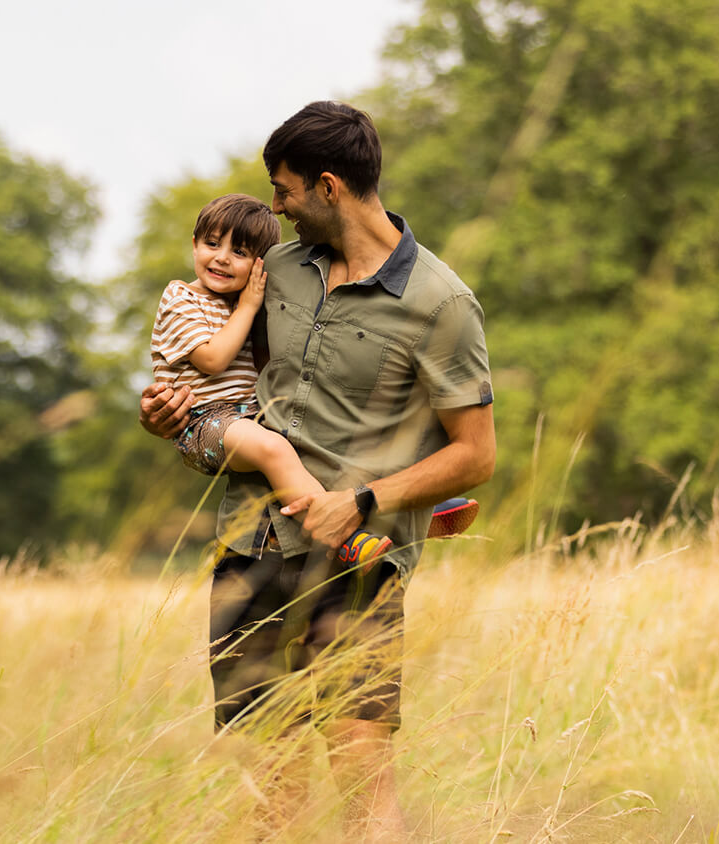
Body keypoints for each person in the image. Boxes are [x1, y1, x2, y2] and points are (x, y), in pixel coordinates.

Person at [140, 101, 496, 839]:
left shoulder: (441, 303)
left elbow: (476, 455)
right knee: (269, 790)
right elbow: (226, 388)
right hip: (249, 550)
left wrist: (364, 500)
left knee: (360, 770)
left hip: (355, 564)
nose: (275, 208)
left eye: (284, 192)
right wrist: (169, 417)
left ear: (328, 187)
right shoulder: (273, 272)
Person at [150, 193, 394, 566]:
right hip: (204, 423)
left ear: (260, 265)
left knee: (316, 440)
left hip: (250, 416)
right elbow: (212, 359)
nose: (222, 258)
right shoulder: (181, 297)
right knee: (275, 450)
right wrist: (248, 307)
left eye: (240, 252)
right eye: (212, 243)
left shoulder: (243, 303)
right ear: (195, 243)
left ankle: (402, 503)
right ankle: (343, 537)